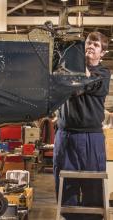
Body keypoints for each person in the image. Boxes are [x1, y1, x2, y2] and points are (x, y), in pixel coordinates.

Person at [53, 31, 111, 220]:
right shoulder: (66, 70)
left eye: (96, 44)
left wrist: (76, 55)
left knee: (92, 188)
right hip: (66, 136)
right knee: (65, 186)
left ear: (103, 52)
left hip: (91, 138)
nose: (90, 46)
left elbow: (85, 82)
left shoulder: (103, 74)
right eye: (88, 43)